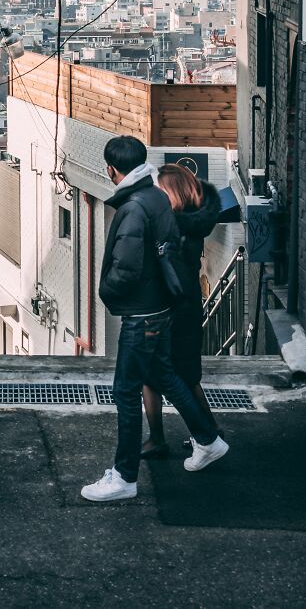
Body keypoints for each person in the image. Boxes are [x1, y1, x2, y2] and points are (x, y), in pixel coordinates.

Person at [81, 136, 228, 504]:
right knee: (163, 375)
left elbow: (126, 268)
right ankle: (208, 439)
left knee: (126, 392)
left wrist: (108, 292)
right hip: (162, 309)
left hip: (143, 312)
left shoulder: (135, 207)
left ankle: (125, 476)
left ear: (112, 169)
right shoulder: (156, 198)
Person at [141, 163, 222, 459]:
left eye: (161, 191)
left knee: (168, 374)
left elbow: (167, 270)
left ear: (173, 193)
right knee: (180, 374)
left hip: (174, 308)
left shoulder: (174, 228)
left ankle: (169, 437)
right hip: (185, 307)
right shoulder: (191, 223)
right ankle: (206, 430)